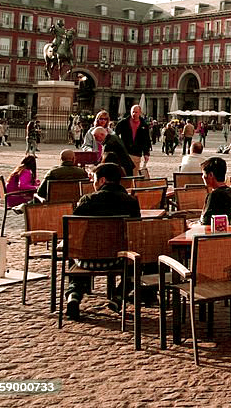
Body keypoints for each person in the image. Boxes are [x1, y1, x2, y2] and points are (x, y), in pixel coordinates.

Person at [65, 162, 141, 320]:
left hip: (87, 260)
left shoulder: (87, 200)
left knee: (77, 253)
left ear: (102, 180)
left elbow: (75, 231)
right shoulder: (131, 202)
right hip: (118, 260)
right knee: (137, 263)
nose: (93, 183)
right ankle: (119, 296)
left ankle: (74, 294)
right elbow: (135, 233)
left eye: (94, 179)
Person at [199, 156, 231, 225]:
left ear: (211, 175)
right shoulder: (229, 192)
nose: (202, 177)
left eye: (203, 174)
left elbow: (205, 222)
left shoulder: (213, 196)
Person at [115, 105, 151, 174]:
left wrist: (146, 153)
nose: (134, 114)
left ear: (140, 113)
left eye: (136, 112)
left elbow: (146, 140)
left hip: (136, 153)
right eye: (133, 112)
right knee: (124, 174)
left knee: (134, 175)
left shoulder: (144, 125)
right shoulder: (123, 123)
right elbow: (115, 135)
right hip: (125, 153)